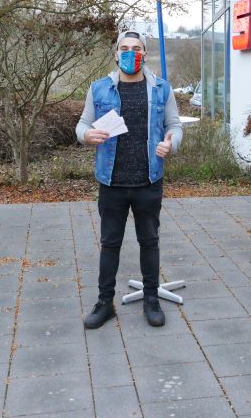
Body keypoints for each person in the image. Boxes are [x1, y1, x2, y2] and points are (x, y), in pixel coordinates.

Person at [76, 31, 182, 329]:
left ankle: (151, 299)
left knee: (149, 241)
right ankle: (104, 303)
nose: (130, 53)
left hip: (148, 179)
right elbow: (82, 123)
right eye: (124, 49)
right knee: (110, 244)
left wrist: (170, 144)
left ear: (145, 54)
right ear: (115, 54)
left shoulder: (161, 89)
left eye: (136, 49)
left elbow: (173, 125)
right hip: (112, 182)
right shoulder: (98, 89)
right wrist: (86, 135)